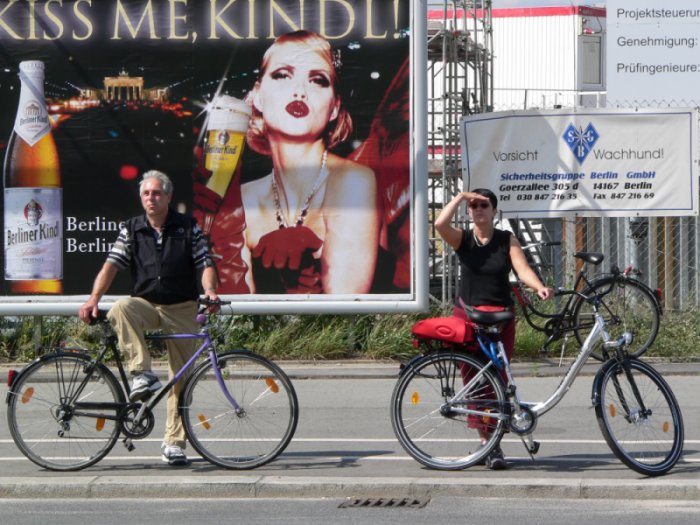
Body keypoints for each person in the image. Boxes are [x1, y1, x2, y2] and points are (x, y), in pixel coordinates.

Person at [78, 170, 219, 466]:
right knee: (121, 307)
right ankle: (141, 374)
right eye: (146, 194)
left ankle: (174, 444)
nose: (151, 198)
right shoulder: (131, 229)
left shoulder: (187, 226)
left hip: (181, 308)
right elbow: (111, 266)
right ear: (141, 199)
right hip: (146, 305)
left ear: (168, 196)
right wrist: (93, 299)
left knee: (180, 380)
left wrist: (209, 291)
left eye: (156, 193)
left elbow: (205, 263)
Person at [240, 30, 380, 294]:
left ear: (335, 107)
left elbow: (344, 307)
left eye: (317, 80)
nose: (300, 91)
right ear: (258, 95)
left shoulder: (353, 180)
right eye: (282, 75)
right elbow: (234, 312)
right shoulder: (244, 199)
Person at [435, 188, 553, 470]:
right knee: (475, 383)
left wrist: (538, 287)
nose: (477, 209)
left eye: (483, 205)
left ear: (494, 211)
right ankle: (489, 444)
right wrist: (460, 197)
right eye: (473, 205)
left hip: (500, 320)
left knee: (498, 382)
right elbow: (440, 224)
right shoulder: (463, 239)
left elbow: (522, 268)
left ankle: (492, 444)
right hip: (468, 318)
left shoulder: (505, 239)